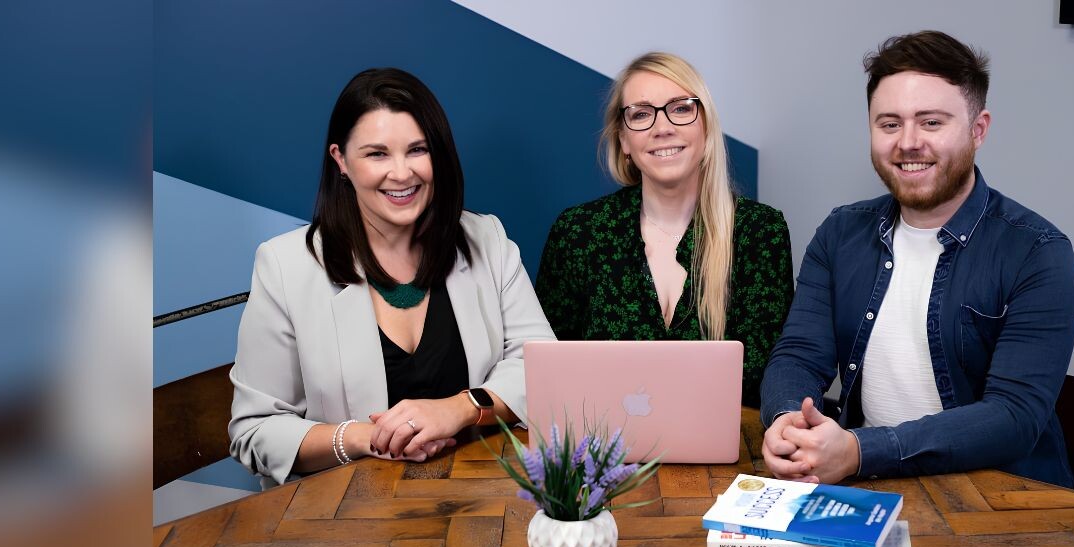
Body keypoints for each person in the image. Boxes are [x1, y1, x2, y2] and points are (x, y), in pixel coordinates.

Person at [760, 31, 1074, 488]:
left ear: (978, 129)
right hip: (865, 483)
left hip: (996, 498)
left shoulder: (1038, 251)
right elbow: (799, 355)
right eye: (889, 124)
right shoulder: (840, 232)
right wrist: (787, 421)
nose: (908, 142)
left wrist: (859, 450)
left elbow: (1014, 416)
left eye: (931, 123)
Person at [229, 68, 555, 487]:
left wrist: (460, 408)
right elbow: (254, 431)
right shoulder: (285, 264)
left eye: (417, 150)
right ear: (341, 161)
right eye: (377, 154)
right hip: (344, 518)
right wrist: (369, 439)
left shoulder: (486, 238)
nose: (402, 173)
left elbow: (541, 366)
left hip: (481, 501)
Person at [535, 52, 793, 407]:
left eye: (681, 108)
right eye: (641, 114)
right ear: (623, 141)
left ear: (706, 126)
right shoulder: (578, 233)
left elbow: (768, 376)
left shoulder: (760, 232)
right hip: (604, 455)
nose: (662, 127)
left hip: (725, 453)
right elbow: (550, 372)